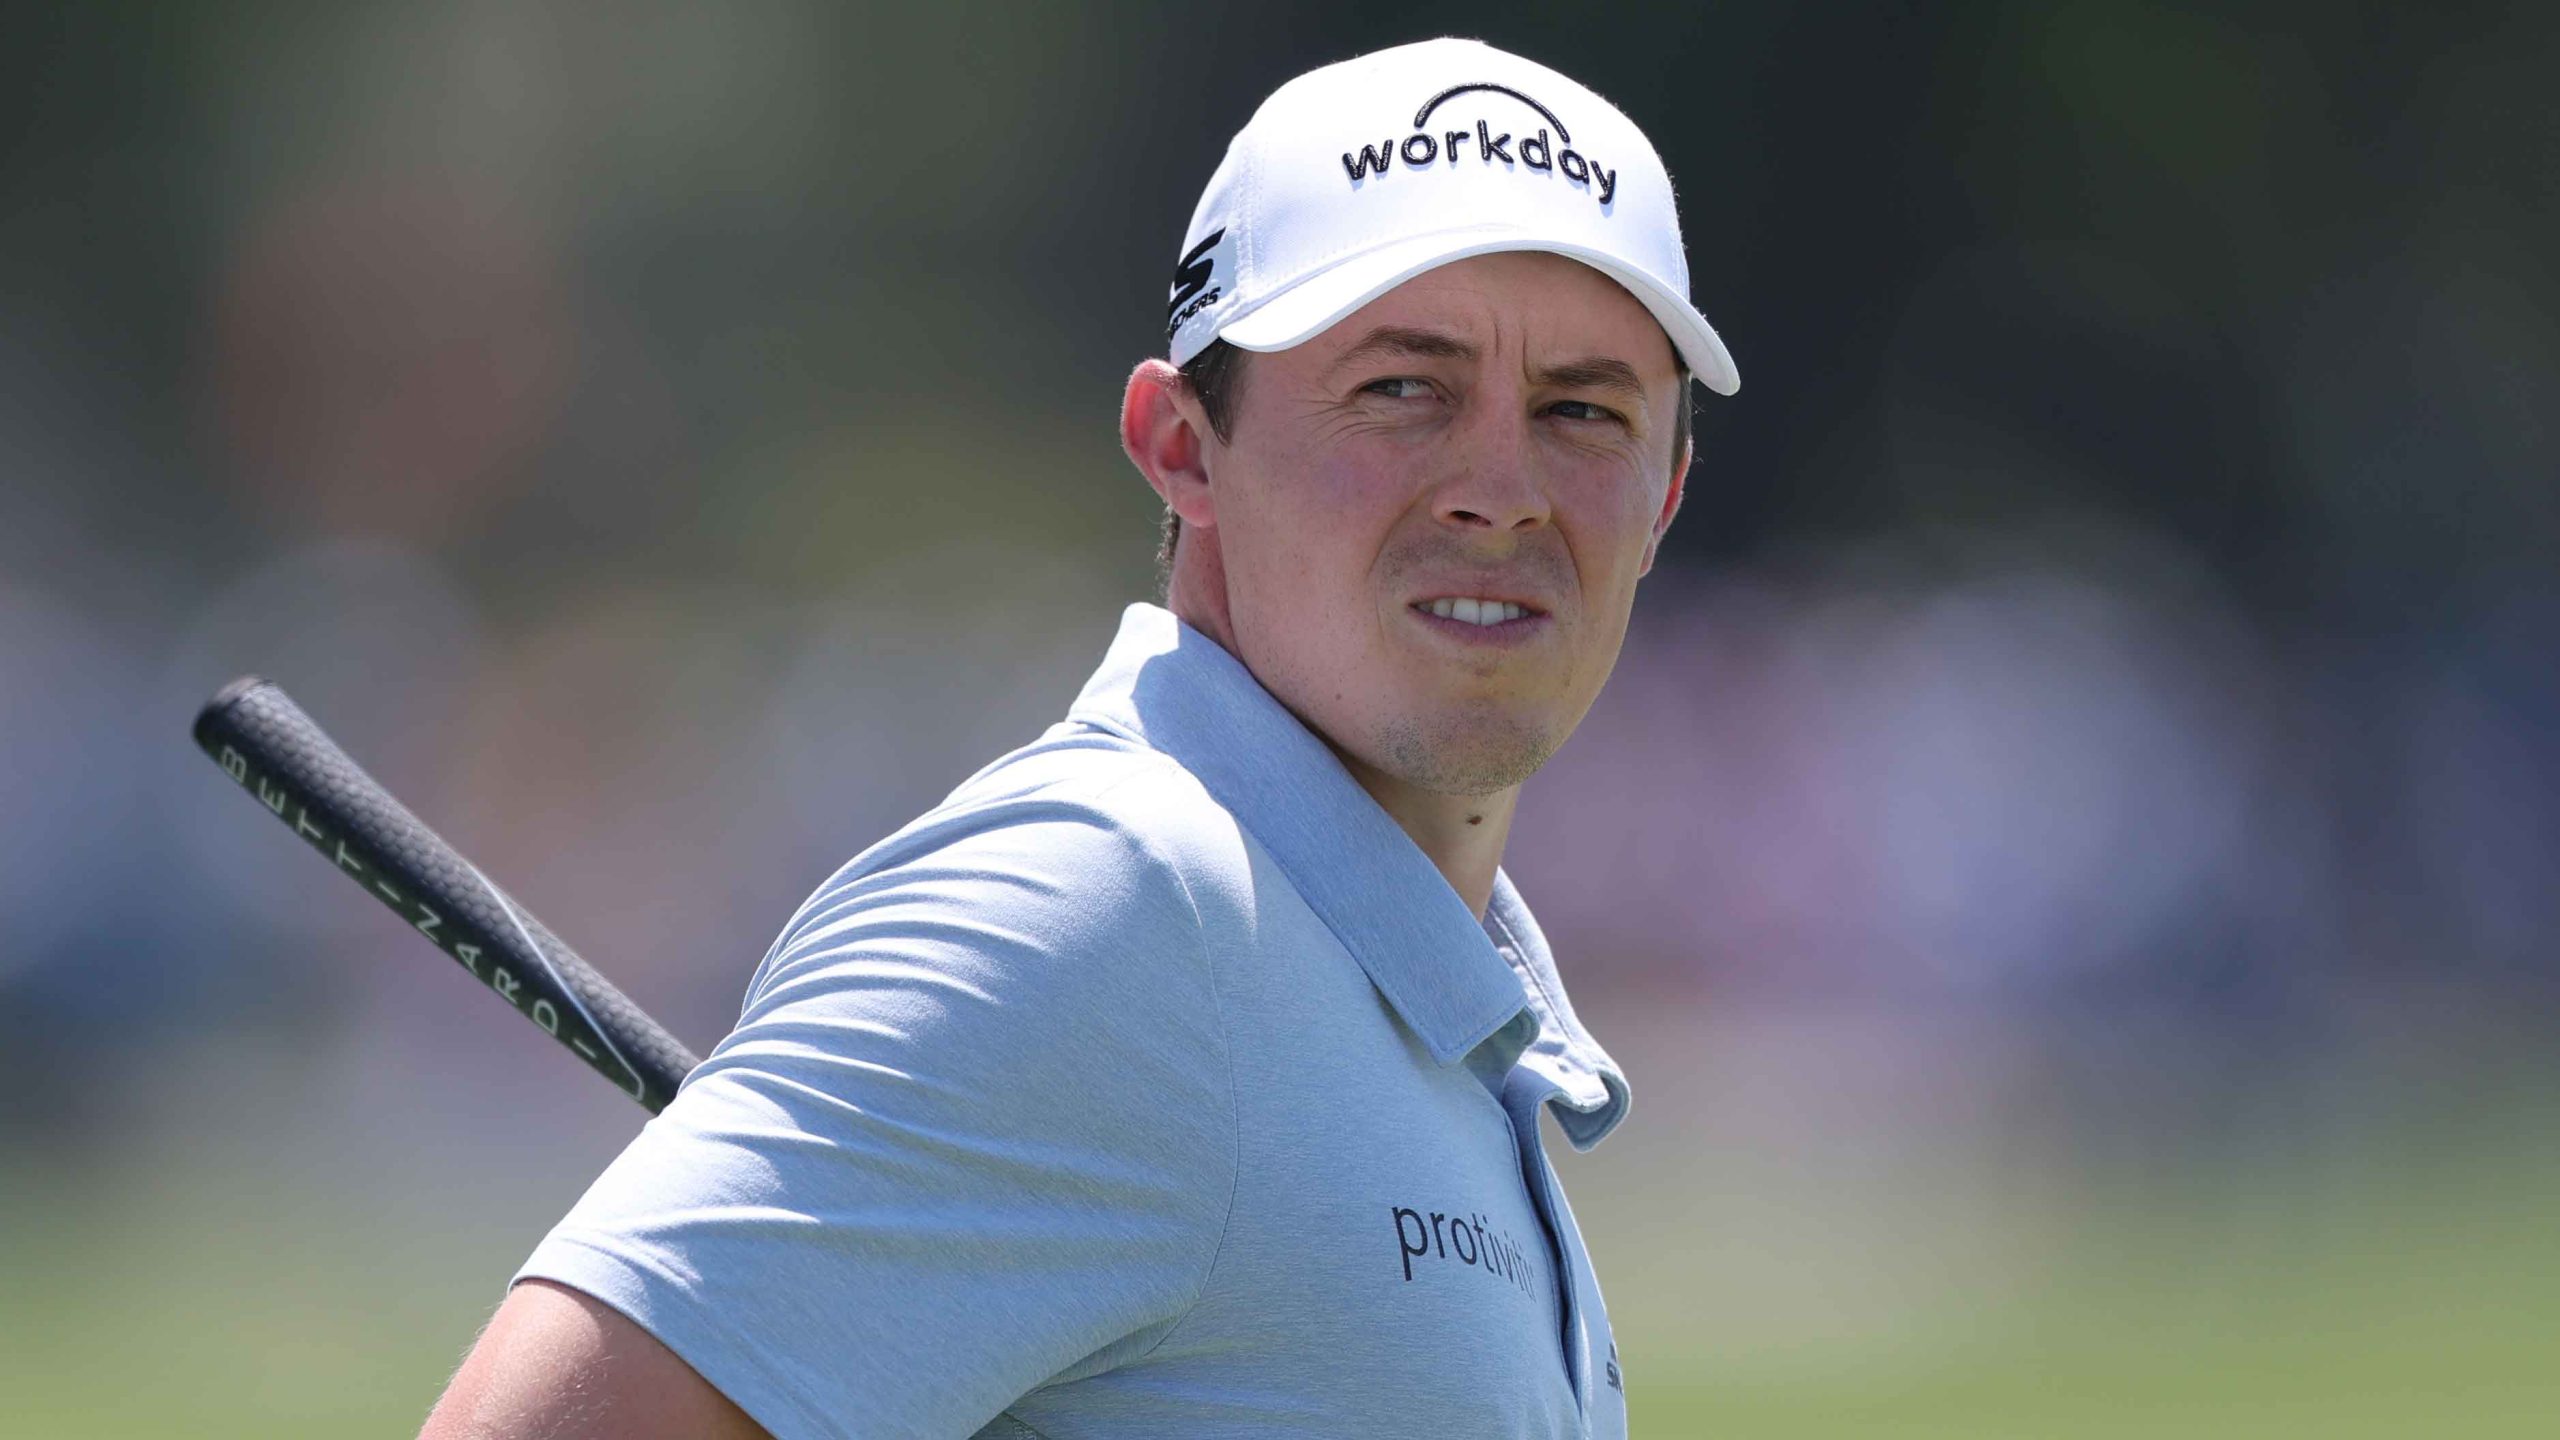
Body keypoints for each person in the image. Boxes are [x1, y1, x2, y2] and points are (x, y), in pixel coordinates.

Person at [420, 36, 1736, 1440]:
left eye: (1583, 411)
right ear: (1182, 447)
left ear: (1660, 499)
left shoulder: (1395, 984)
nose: (1502, 490)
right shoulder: (1114, 910)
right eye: (1401, 389)